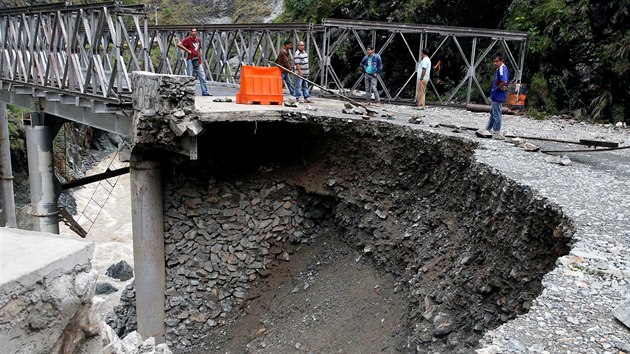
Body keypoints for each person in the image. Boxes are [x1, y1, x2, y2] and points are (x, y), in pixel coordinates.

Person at [177, 28, 210, 96]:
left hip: (198, 60)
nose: (194, 33)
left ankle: (205, 92)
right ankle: (190, 93)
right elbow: (179, 44)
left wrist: (200, 58)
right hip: (190, 59)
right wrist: (187, 50)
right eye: (193, 31)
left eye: (195, 31)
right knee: (190, 77)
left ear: (197, 32)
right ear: (191, 32)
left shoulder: (198, 40)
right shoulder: (188, 39)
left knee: (202, 76)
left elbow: (200, 49)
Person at [485, 53, 509, 139]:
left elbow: (504, 81)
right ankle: (488, 129)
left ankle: (496, 132)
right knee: (493, 113)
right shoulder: (500, 68)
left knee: (497, 114)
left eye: (497, 61)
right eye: (494, 61)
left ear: (502, 61)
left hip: (498, 95)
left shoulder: (502, 69)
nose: (495, 63)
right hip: (497, 95)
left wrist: (499, 87)